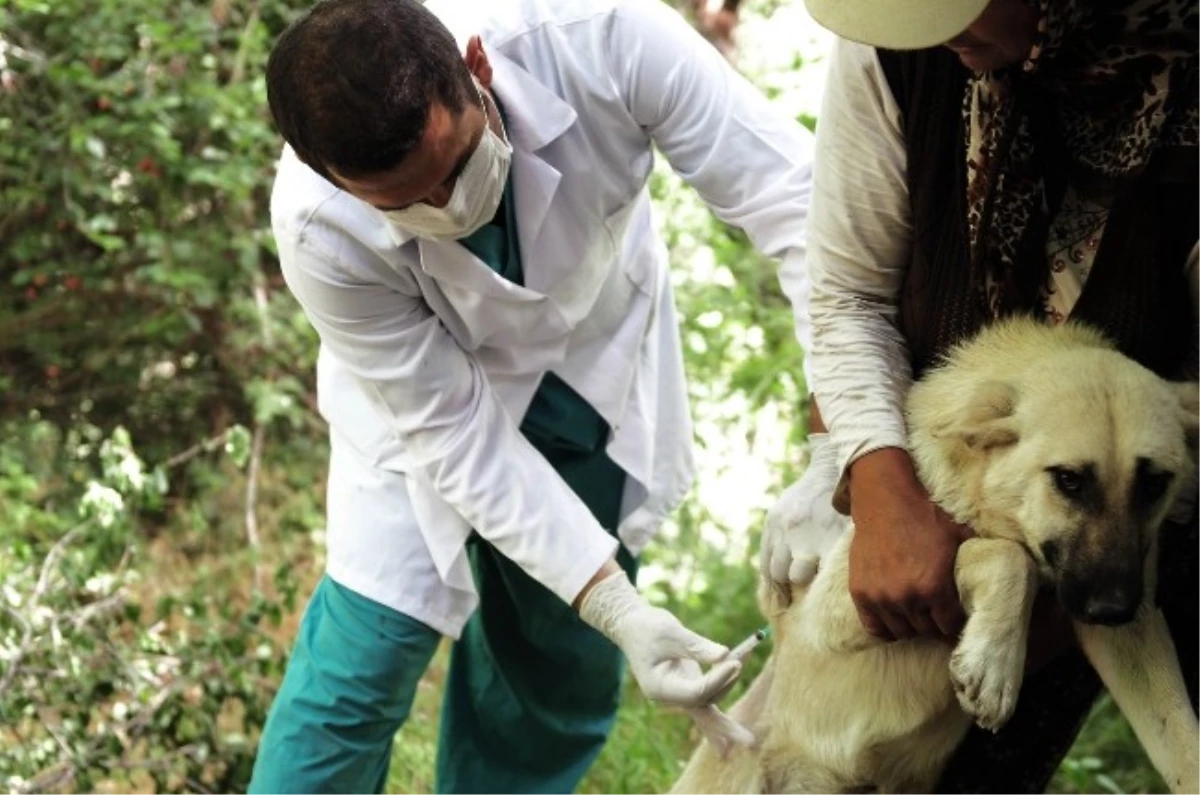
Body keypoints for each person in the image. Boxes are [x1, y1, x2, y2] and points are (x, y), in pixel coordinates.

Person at [250, 0, 815, 791]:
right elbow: (452, 433)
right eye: (407, 202)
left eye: (454, 166)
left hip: (586, 366)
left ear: (477, 70)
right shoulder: (317, 227)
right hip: (414, 420)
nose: (447, 206)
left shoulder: (605, 34)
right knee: (358, 670)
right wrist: (618, 605)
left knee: (552, 675)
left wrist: (841, 441)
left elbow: (794, 200)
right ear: (334, 180)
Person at [759, 0, 1200, 790]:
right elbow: (849, 295)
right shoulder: (897, 43)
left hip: (1135, 486)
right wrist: (873, 476)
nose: (937, 29)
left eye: (962, 2)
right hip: (944, 457)